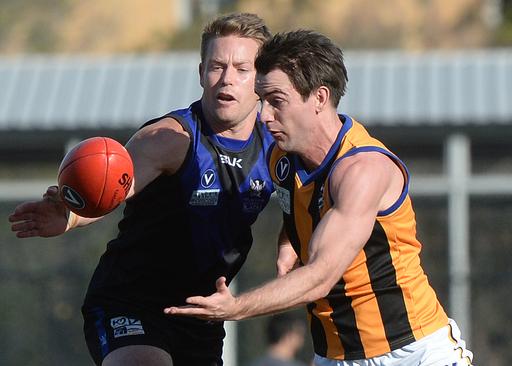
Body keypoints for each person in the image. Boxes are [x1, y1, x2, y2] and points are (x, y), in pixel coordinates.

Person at [165, 30, 474, 366]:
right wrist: (289, 241)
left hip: (412, 352)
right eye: (261, 99)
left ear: (319, 98)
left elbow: (321, 275)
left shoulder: (362, 169)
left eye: (277, 101)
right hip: (334, 356)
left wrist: (237, 307)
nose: (264, 114)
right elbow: (304, 211)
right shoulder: (281, 160)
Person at [8, 13, 276, 366]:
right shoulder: (168, 139)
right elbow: (113, 188)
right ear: (200, 73)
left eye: (241, 69)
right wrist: (70, 215)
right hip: (130, 299)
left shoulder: (277, 142)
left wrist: (289, 245)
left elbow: (301, 199)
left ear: (261, 79)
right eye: (216, 66)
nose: (226, 79)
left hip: (199, 314)